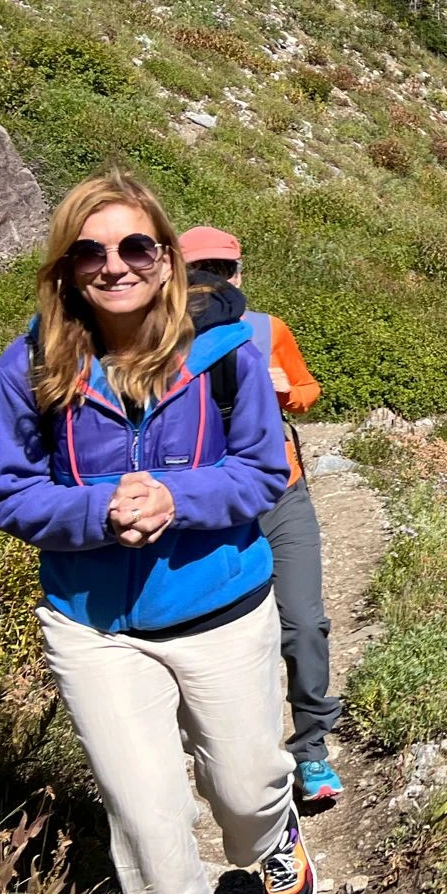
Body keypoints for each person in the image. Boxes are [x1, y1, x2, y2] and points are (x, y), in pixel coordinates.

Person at [0, 172, 315, 894]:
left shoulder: (232, 350)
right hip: (94, 623)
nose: (115, 265)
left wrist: (177, 497)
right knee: (141, 803)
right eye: (90, 250)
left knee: (243, 788)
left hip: (218, 606)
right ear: (64, 267)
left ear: (166, 258)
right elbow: (8, 493)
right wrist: (98, 516)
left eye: (135, 247)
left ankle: (272, 841)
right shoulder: (31, 367)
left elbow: (260, 472)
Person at [177, 226, 343, 803]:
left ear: (240, 273)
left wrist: (287, 392)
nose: (216, 281)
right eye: (202, 269)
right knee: (222, 639)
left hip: (283, 493)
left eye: (225, 270)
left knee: (303, 623)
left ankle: (312, 751)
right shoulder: (158, 341)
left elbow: (307, 388)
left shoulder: (268, 329)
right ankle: (226, 764)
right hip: (213, 508)